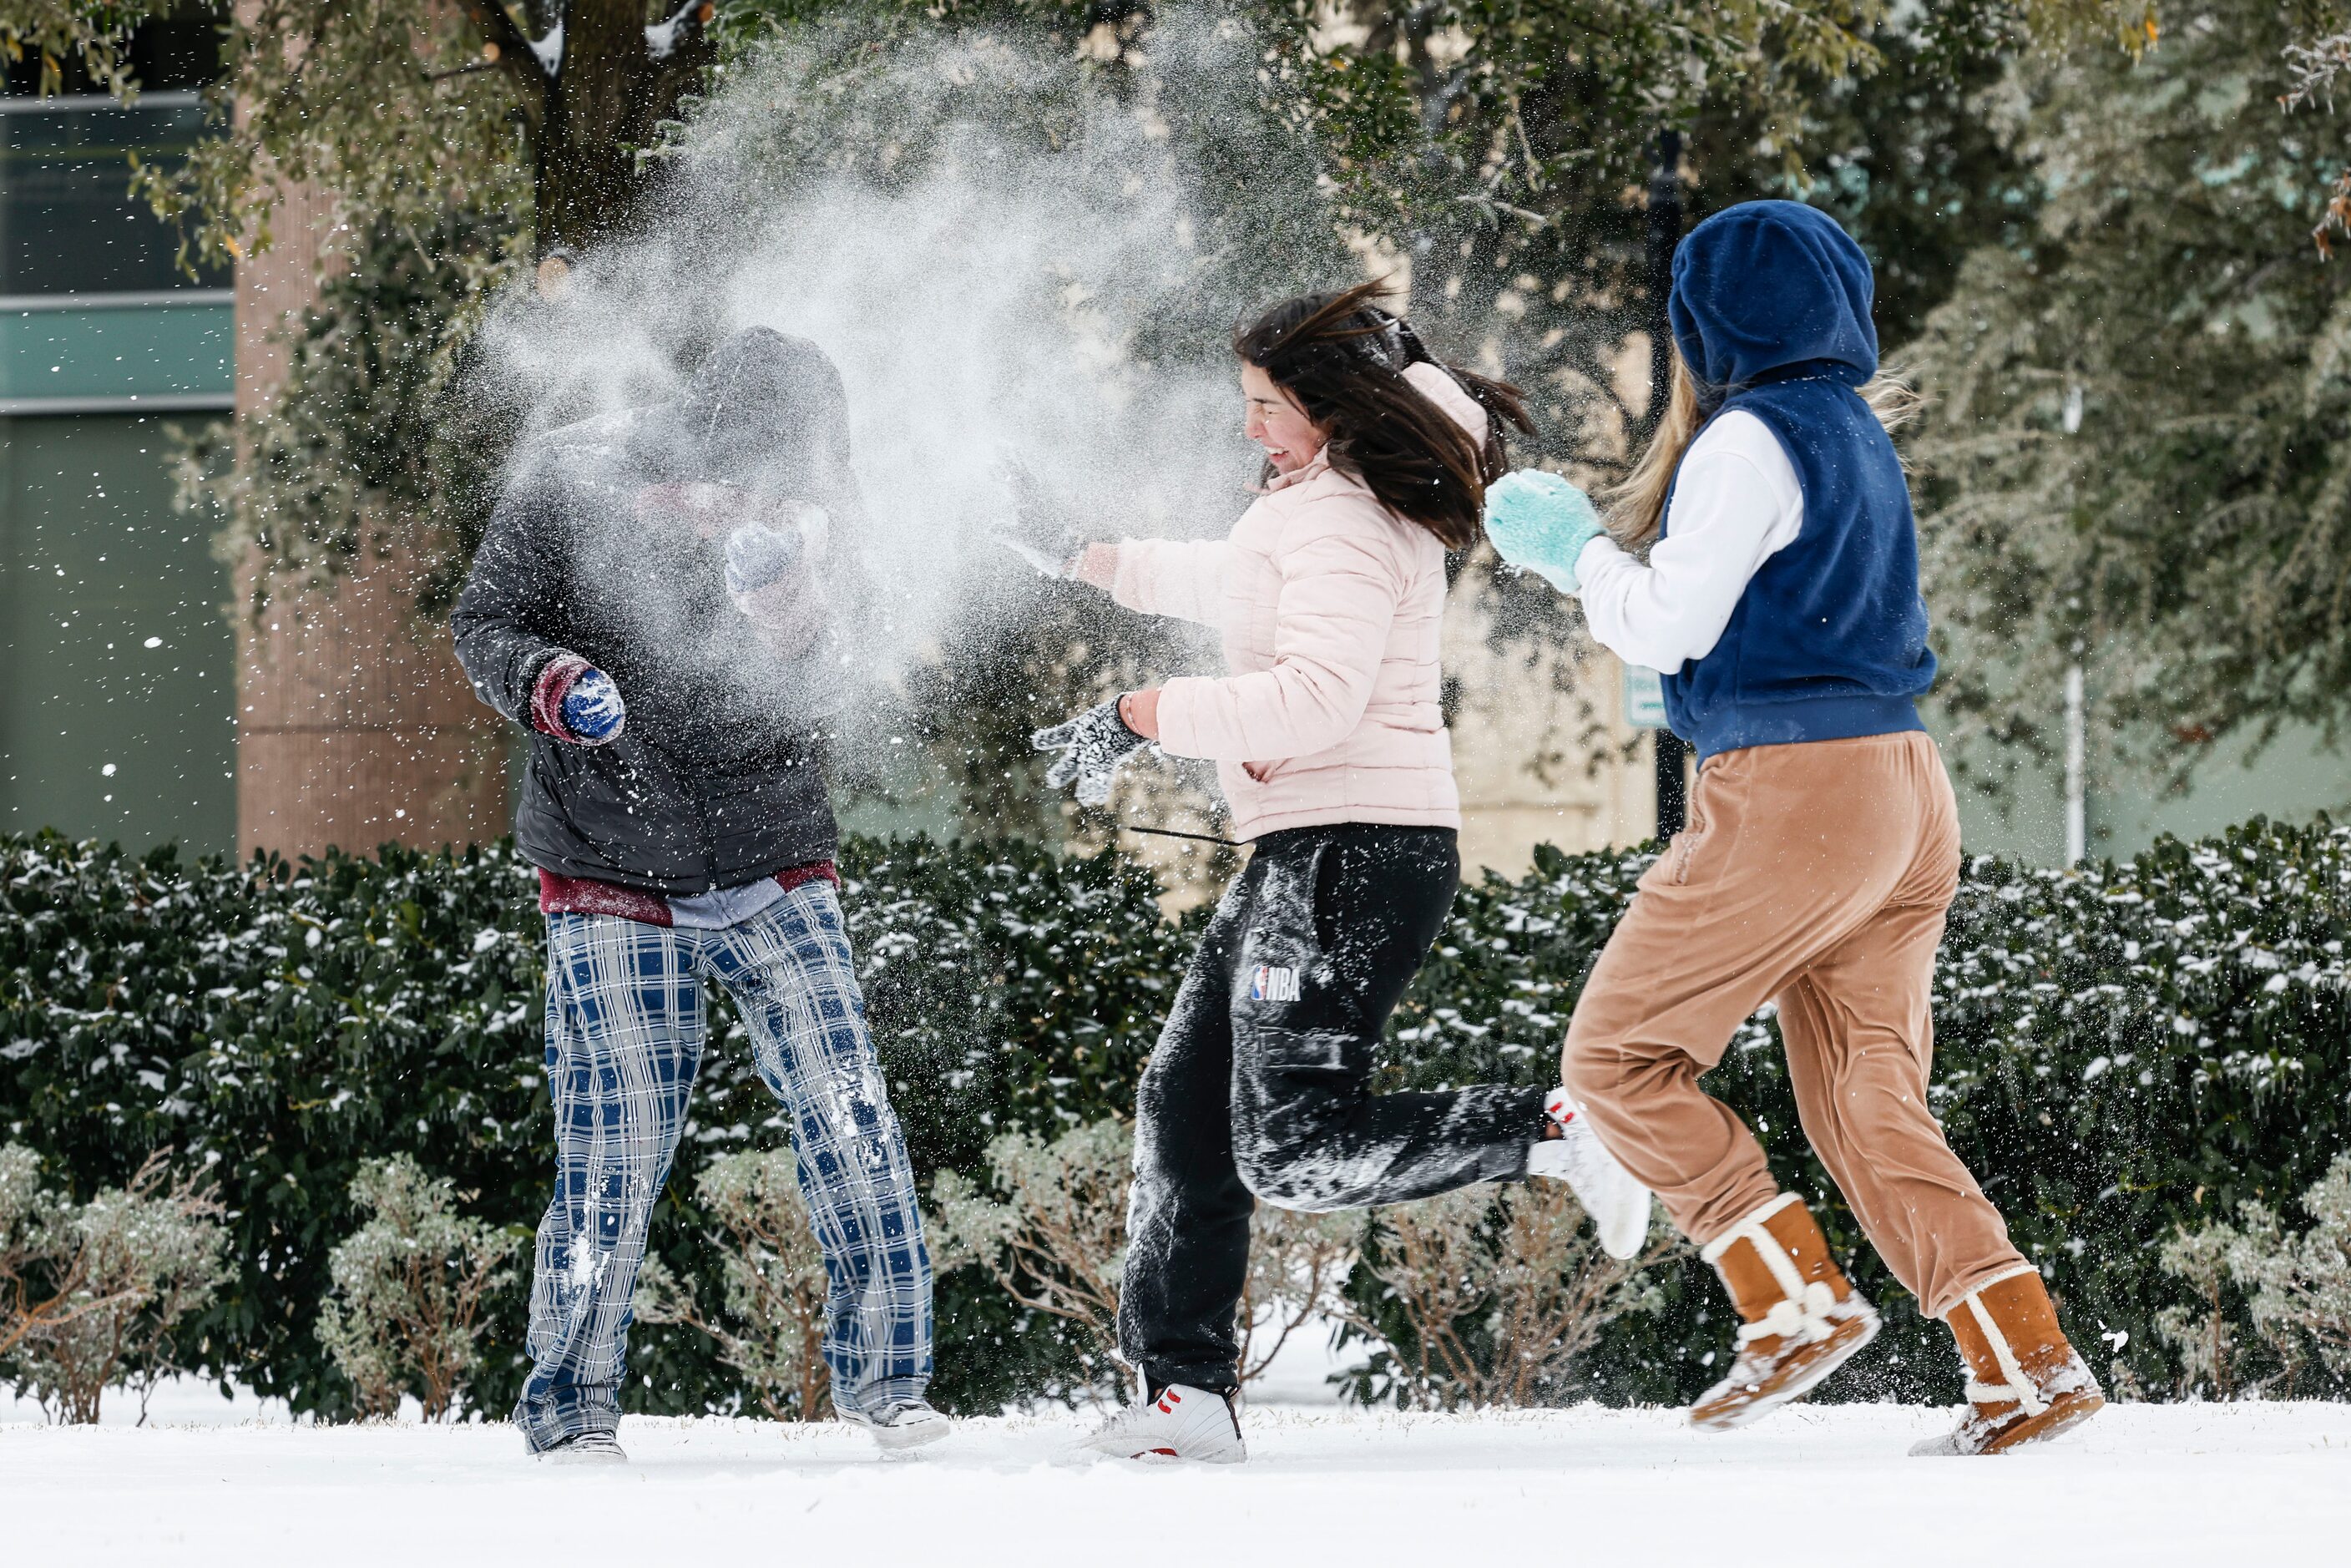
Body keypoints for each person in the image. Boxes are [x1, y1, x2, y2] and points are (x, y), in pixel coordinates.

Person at [1482, 200, 2104, 1455]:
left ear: (1703, 324)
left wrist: (1571, 555)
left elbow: (1667, 627)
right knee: (1867, 1093)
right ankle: (2024, 1359)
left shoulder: (1746, 441)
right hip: (1903, 784)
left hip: (1796, 791)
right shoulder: (1854, 436)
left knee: (1615, 1059)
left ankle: (1793, 1299)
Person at [1001, 284, 1653, 1464]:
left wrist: (1141, 712)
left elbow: (1314, 699)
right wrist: (1084, 557)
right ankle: (1181, 1395)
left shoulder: (1349, 517)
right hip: (1311, 849)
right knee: (1185, 1109)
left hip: (1353, 854)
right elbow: (1232, 583)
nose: (1250, 427)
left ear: (1332, 404)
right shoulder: (1313, 503)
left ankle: (1555, 1125)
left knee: (1294, 1145)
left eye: (1266, 405)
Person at [452, 326, 943, 1461]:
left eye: (798, 478)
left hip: (771, 851)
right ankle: (571, 1404)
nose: (766, 496)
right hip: (608, 861)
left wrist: (800, 613)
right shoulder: (576, 478)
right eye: (749, 475)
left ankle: (892, 1387)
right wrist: (553, 680)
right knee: (614, 1132)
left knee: (847, 1106)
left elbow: (850, 659)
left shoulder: (821, 509)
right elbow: (485, 622)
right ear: (702, 442)